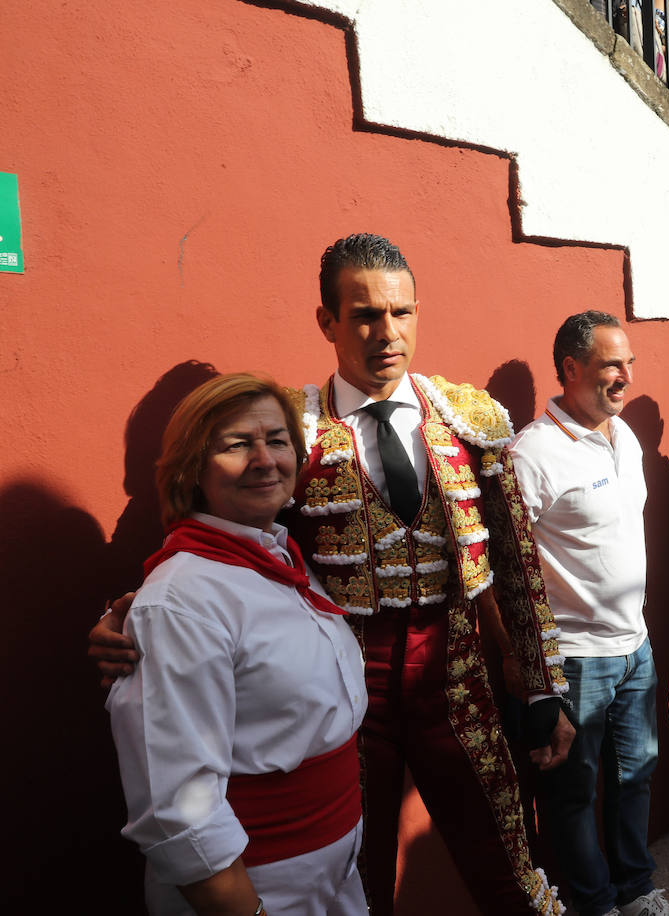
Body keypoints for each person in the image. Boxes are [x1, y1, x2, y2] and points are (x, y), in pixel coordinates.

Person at [93, 234, 572, 915]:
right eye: (365, 315)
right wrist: (136, 611)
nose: (387, 333)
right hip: (344, 694)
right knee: (358, 880)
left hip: (456, 678)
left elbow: (516, 562)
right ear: (328, 322)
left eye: (401, 313)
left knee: (513, 873)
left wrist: (544, 684)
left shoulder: (469, 419)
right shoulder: (293, 428)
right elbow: (241, 546)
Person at [107, 373, 368, 915]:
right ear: (191, 469)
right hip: (258, 887)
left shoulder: (280, 558)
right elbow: (177, 810)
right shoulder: (179, 601)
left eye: (277, 440)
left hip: (333, 872)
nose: (265, 459)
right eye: (235, 445)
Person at [509, 311, 668, 916]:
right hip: (575, 658)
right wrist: (532, 672)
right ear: (571, 369)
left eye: (629, 363)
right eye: (611, 365)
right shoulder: (535, 452)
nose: (626, 376)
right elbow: (508, 566)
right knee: (574, 794)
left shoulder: (620, 434)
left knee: (637, 777)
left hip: (637, 649)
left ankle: (635, 891)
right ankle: (597, 904)